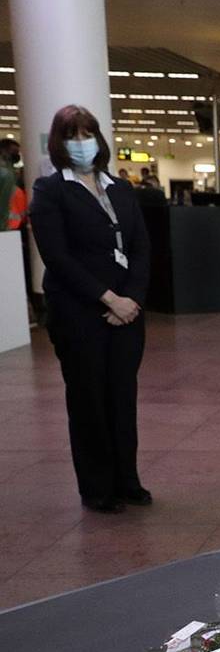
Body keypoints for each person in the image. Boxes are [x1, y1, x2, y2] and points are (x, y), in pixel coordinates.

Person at [30, 105, 151, 514]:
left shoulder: (119, 188)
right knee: (88, 399)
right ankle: (98, 486)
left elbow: (140, 248)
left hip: (127, 313)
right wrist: (108, 298)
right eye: (73, 135)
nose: (81, 143)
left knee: (122, 394)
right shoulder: (51, 191)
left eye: (87, 134)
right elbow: (58, 257)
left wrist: (130, 298)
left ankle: (127, 479)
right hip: (79, 312)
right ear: (59, 143)